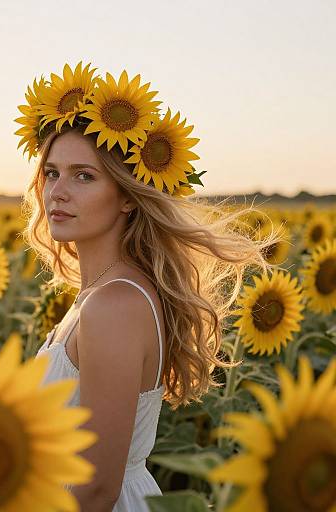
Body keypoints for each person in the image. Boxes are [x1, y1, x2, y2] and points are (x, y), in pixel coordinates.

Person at [17, 63, 280, 511]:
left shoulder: (114, 305)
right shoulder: (100, 294)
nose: (57, 192)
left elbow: (97, 489)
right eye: (53, 172)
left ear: (126, 196)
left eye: (84, 176)